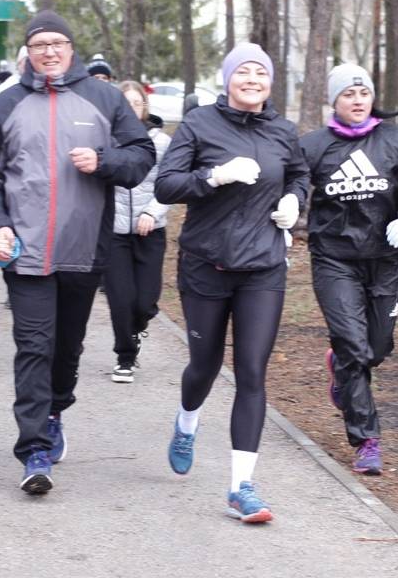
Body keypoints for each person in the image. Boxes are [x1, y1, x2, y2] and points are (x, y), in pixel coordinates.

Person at [0, 10, 155, 496]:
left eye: (57, 43)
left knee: (66, 348)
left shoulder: (104, 97)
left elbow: (141, 157)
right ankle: (33, 449)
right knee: (33, 345)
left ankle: (54, 411)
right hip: (24, 251)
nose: (48, 51)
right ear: (27, 52)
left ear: (71, 48)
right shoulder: (5, 103)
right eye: (39, 44)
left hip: (84, 248)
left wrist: (105, 161)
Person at [155, 43, 309, 525]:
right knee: (204, 365)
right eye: (242, 71)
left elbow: (301, 174)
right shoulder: (200, 123)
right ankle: (186, 423)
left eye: (260, 72)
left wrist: (294, 201)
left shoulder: (284, 131)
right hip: (206, 265)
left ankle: (241, 486)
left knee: (252, 372)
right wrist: (214, 176)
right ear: (227, 80)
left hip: (263, 267)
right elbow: (166, 185)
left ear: (269, 83)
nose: (252, 78)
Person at [300, 63, 398, 476]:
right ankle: (366, 440)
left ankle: (340, 370)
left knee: (375, 349)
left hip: (383, 260)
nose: (357, 100)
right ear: (335, 100)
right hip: (334, 260)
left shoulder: (396, 140)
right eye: (348, 94)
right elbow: (288, 181)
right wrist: (287, 209)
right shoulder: (313, 146)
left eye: (363, 93)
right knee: (352, 345)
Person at [101, 80, 171, 384]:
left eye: (137, 103)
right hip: (114, 233)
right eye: (125, 103)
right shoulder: (105, 140)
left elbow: (169, 185)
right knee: (120, 299)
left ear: (145, 106)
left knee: (144, 302)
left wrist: (151, 213)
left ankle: (139, 324)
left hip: (149, 231)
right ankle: (125, 357)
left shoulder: (162, 142)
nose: (131, 109)